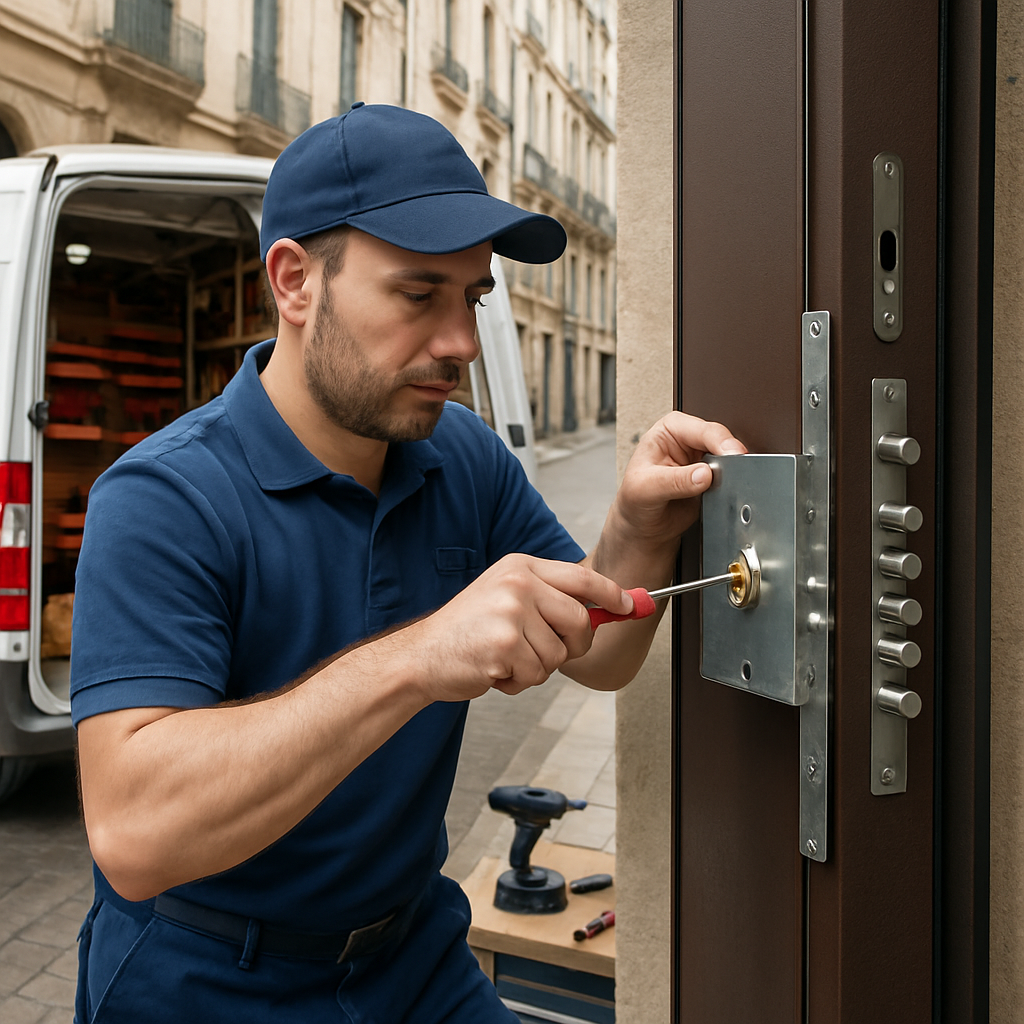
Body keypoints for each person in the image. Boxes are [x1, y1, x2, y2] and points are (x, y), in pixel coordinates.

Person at [70, 103, 745, 1024]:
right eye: (418, 294)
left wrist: (637, 524)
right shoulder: (162, 499)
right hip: (207, 975)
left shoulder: (461, 456)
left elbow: (600, 654)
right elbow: (134, 835)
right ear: (295, 281)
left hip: (416, 957)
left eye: (472, 298)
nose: (461, 343)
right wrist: (420, 656)